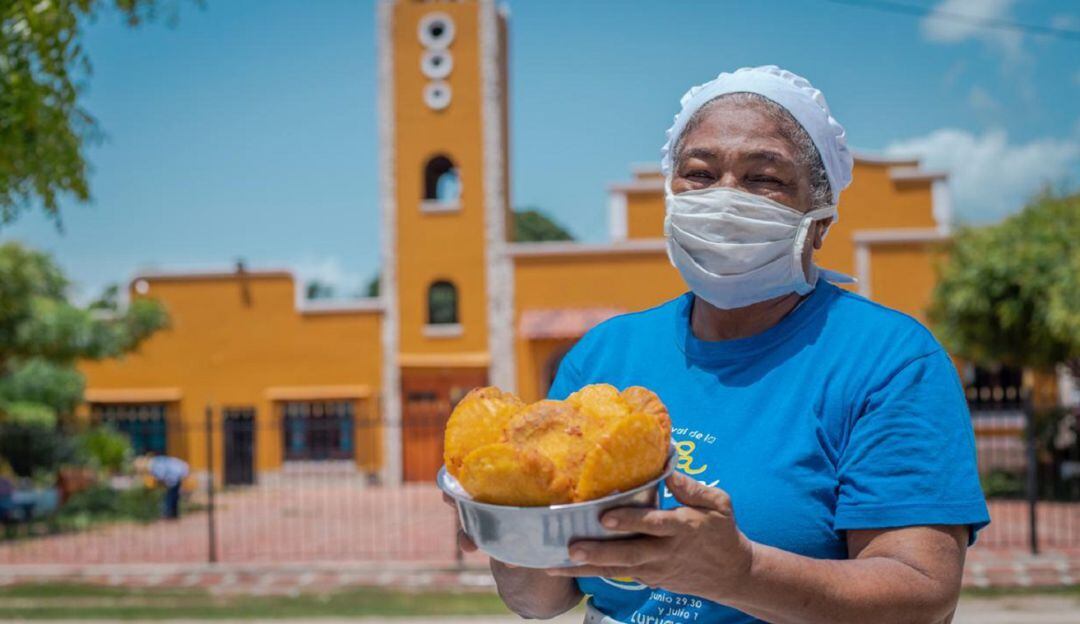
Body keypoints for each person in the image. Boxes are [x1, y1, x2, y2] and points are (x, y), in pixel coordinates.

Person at [461, 66, 989, 623]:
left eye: (764, 178)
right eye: (699, 173)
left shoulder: (888, 361)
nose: (725, 198)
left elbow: (921, 598)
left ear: (821, 220)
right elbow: (540, 599)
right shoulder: (605, 356)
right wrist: (507, 527)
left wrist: (741, 574)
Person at [143, 452, 189, 520]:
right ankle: (174, 514)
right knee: (174, 497)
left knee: (170, 497)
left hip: (173, 478)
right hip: (175, 477)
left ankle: (169, 514)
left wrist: (159, 484)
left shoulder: (154, 463)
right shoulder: (163, 461)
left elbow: (160, 475)